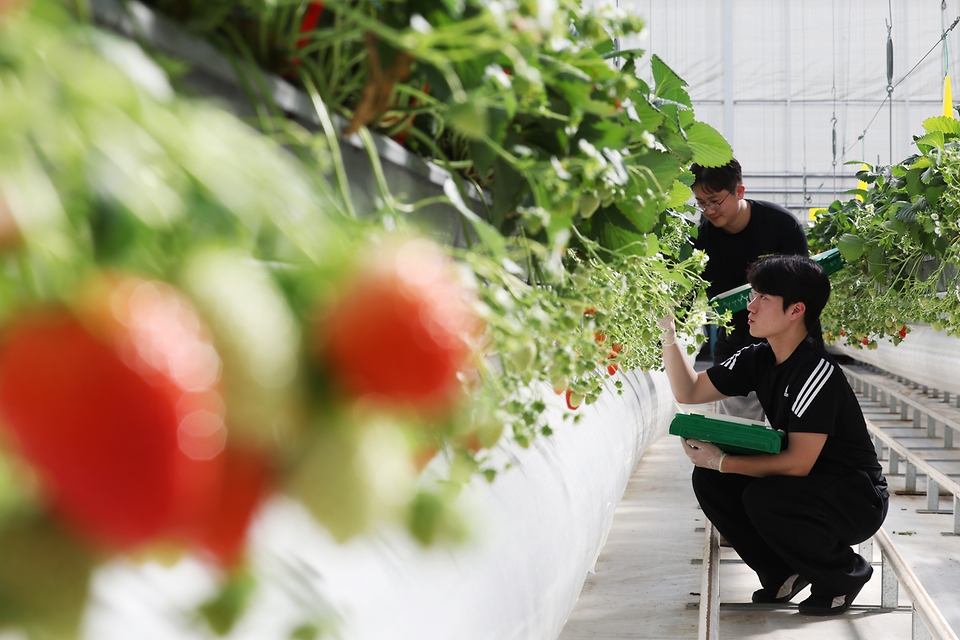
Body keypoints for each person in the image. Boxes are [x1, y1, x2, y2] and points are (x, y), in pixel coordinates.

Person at [658, 255, 888, 616]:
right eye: (754, 295)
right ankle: (783, 572)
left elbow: (798, 464)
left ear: (796, 310)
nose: (750, 306)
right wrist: (667, 334)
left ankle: (843, 576)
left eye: (763, 298)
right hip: (809, 487)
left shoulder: (816, 372)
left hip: (853, 497)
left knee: (763, 495)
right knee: (710, 479)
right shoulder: (759, 358)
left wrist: (724, 460)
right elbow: (689, 391)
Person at [691, 159, 808, 421]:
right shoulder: (701, 239)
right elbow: (685, 295)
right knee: (738, 433)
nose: (708, 210)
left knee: (795, 430)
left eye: (715, 201)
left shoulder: (781, 226)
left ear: (739, 192)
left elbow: (803, 291)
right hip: (735, 347)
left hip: (788, 346)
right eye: (701, 203)